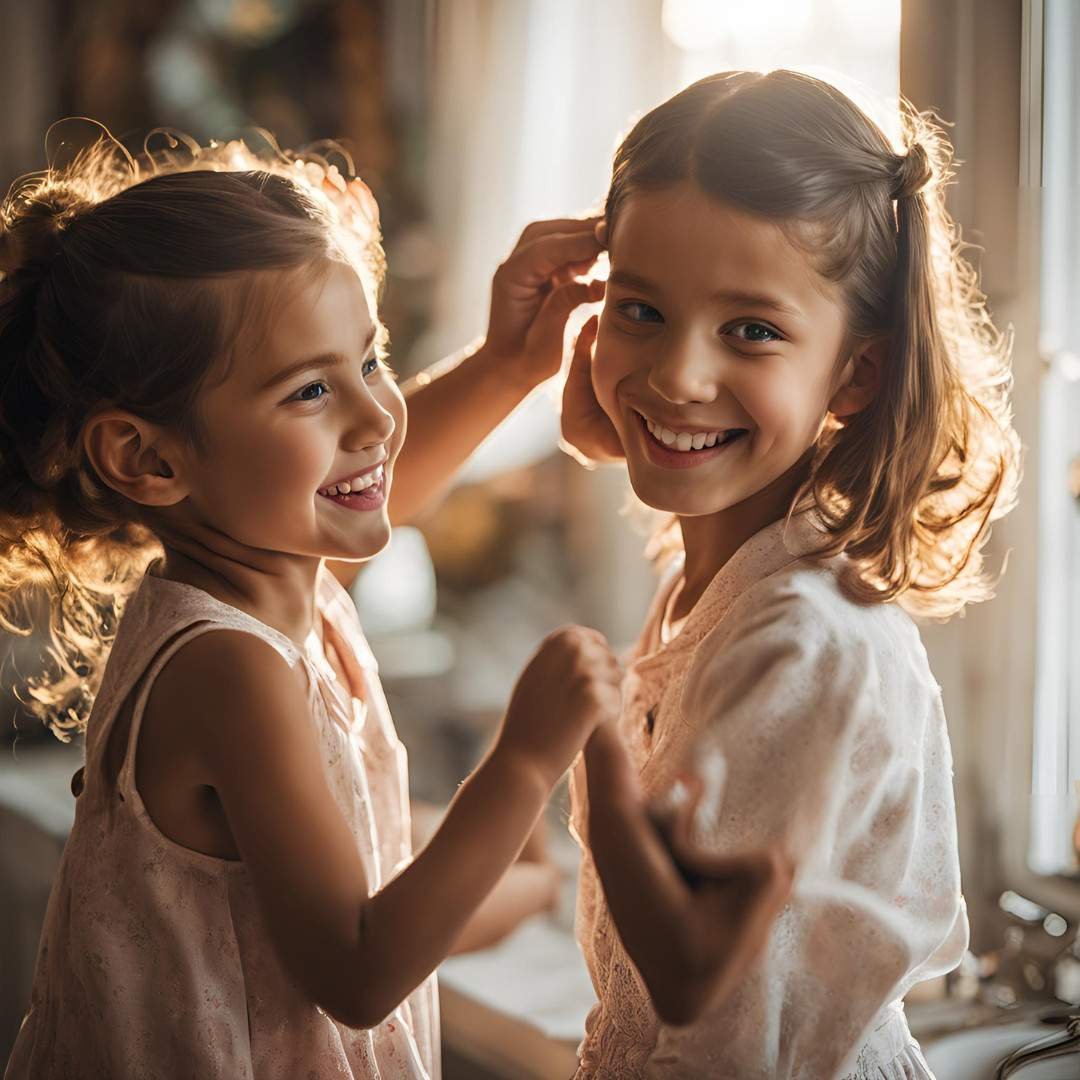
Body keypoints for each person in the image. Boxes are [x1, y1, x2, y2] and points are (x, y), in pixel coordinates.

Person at [1, 132, 617, 1079]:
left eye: (370, 362)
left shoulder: (275, 584)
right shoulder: (227, 667)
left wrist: (508, 361)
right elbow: (361, 971)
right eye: (311, 389)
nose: (376, 418)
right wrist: (528, 760)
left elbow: (383, 482)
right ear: (148, 459)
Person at [559, 70, 1020, 1079]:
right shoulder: (724, 574)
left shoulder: (802, 635)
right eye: (640, 310)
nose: (678, 374)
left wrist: (589, 737)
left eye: (752, 330)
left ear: (855, 373)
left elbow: (694, 982)